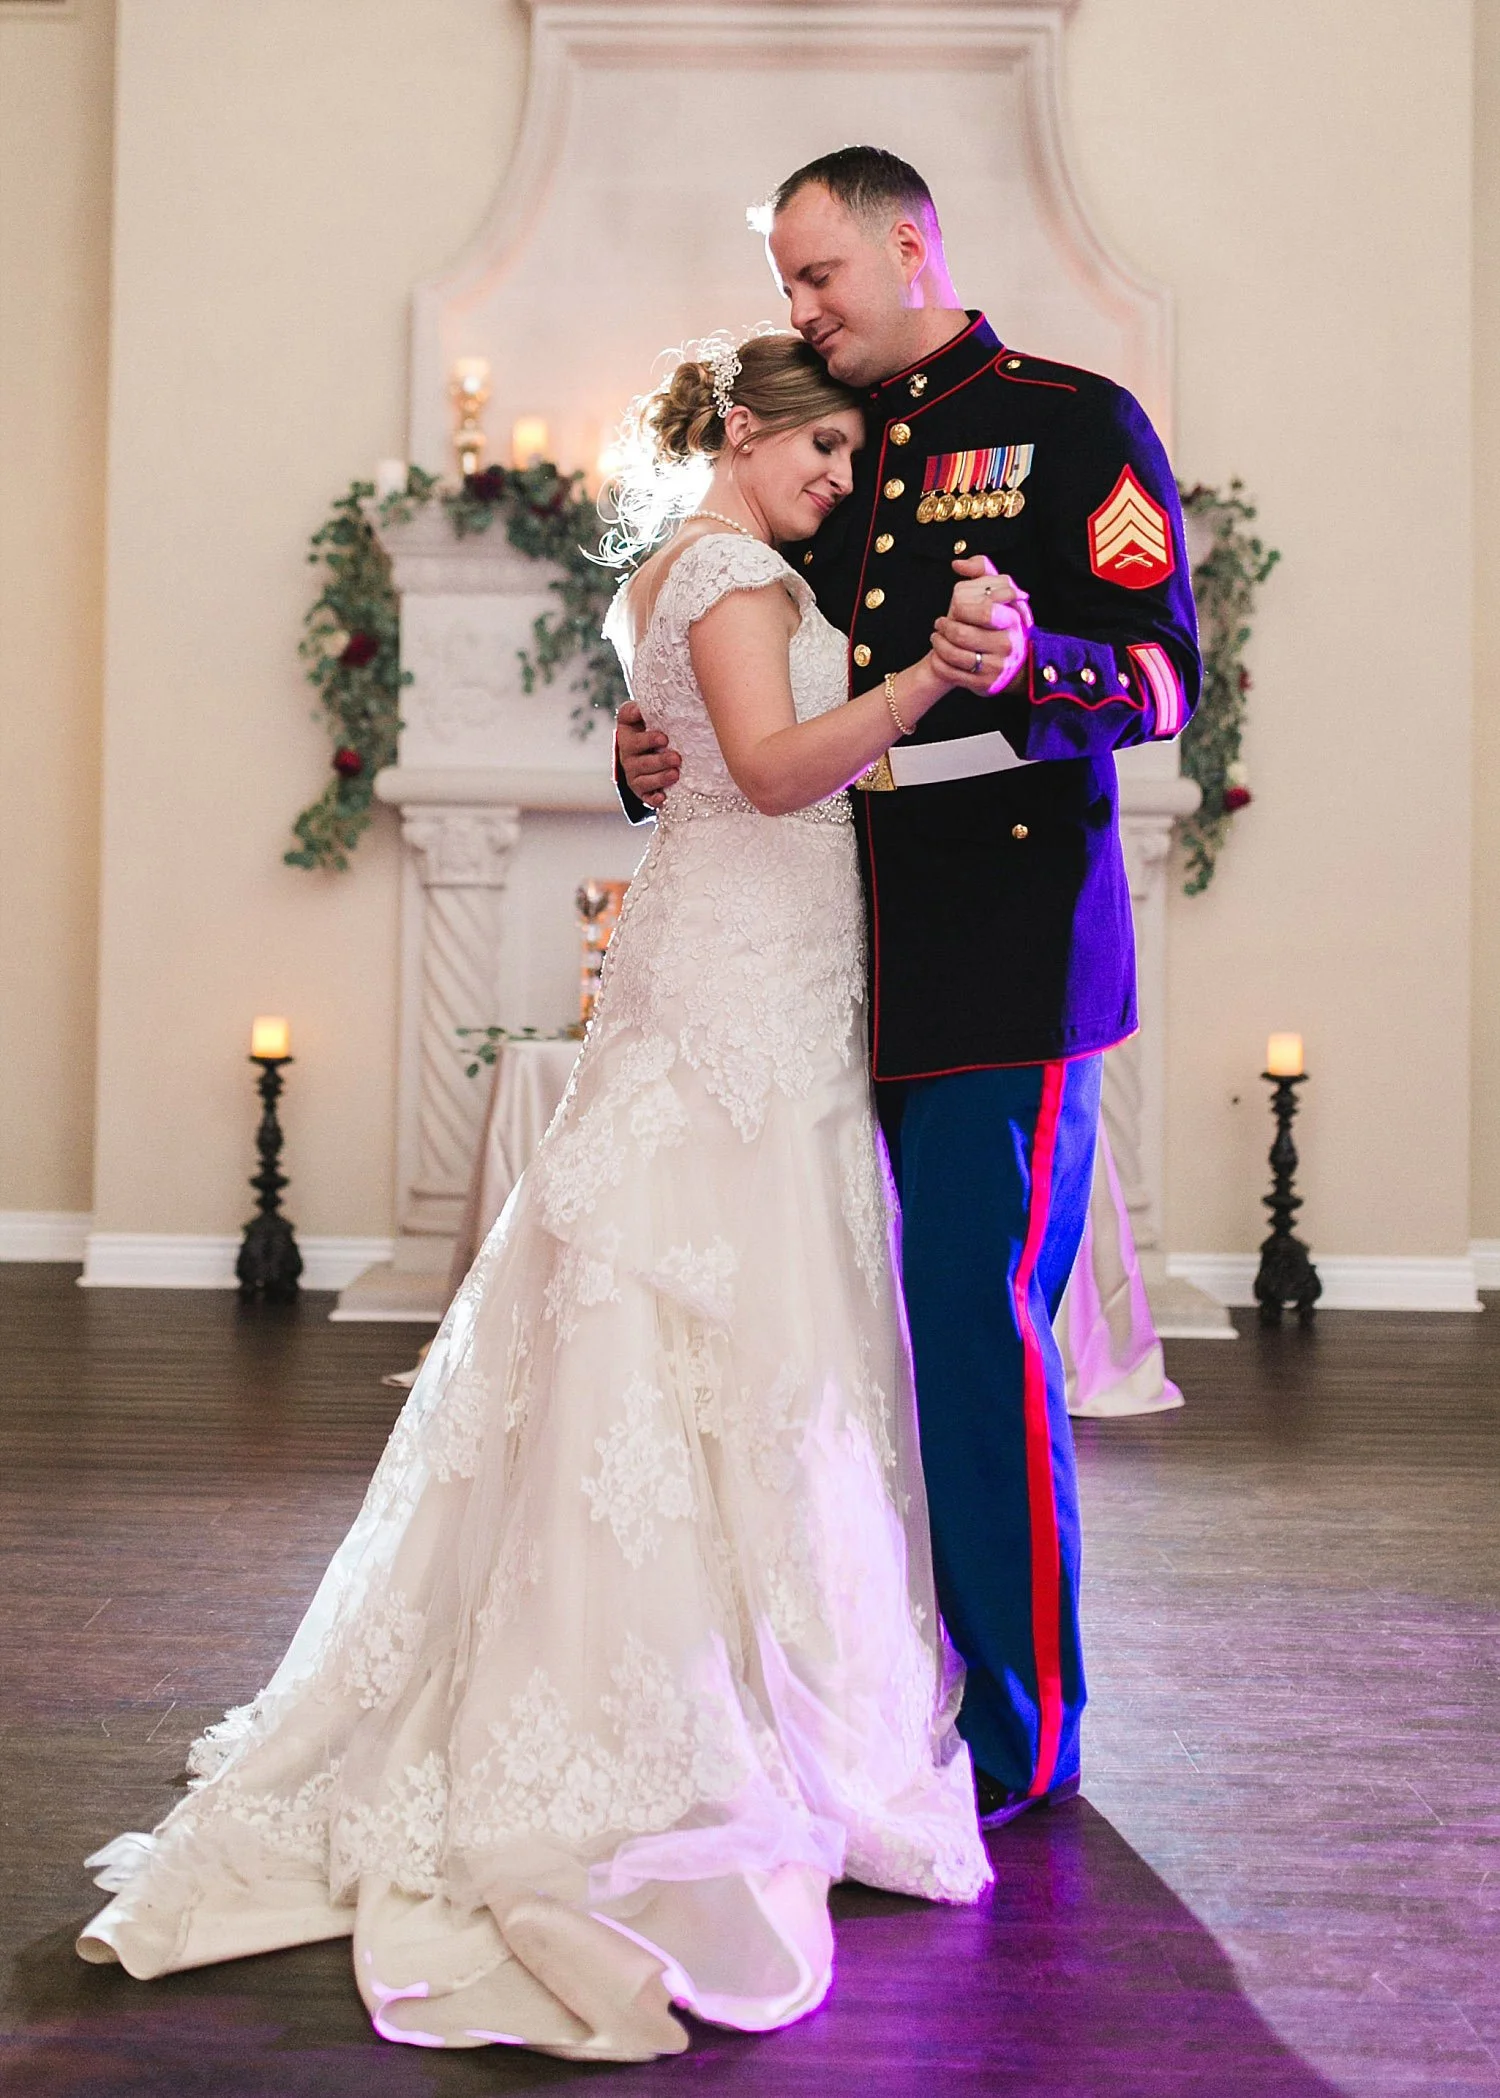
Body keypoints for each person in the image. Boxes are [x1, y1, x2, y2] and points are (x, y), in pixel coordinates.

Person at [75, 331, 991, 2063]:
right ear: (748, 431)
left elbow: (704, 766)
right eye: (828, 456)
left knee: (731, 1324)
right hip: (731, 992)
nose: (843, 484)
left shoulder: (706, 566)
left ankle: (740, 1652)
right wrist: (925, 686)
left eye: (857, 464)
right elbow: (784, 769)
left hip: (749, 972)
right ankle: (671, 1700)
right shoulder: (726, 567)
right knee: (706, 1310)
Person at [617, 147, 1202, 1826]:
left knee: (967, 1336)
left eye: (821, 277)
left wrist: (1045, 667)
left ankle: (1019, 1730)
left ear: (909, 241)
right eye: (788, 286)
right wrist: (646, 749)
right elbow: (756, 699)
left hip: (992, 970)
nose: (798, 310)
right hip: (811, 969)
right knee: (834, 1354)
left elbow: (1169, 675)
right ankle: (863, 1684)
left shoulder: (1072, 422)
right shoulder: (831, 446)